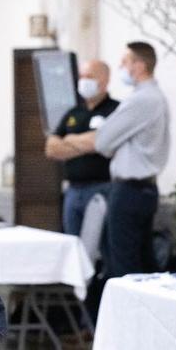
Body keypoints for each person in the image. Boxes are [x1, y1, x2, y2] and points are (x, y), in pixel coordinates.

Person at [65, 42, 170, 278]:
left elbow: (103, 142)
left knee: (123, 264)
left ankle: (129, 314)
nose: (121, 67)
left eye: (125, 62)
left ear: (139, 65)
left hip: (129, 191)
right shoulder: (155, 97)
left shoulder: (142, 99)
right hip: (144, 188)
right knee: (142, 261)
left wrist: (70, 141)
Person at [45, 59, 118, 235]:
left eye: (89, 76)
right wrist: (88, 143)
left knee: (104, 242)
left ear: (104, 80)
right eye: (82, 76)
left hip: (103, 188)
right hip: (73, 190)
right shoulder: (73, 112)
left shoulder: (116, 110)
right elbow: (51, 148)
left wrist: (69, 140)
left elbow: (103, 142)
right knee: (72, 242)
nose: (84, 80)